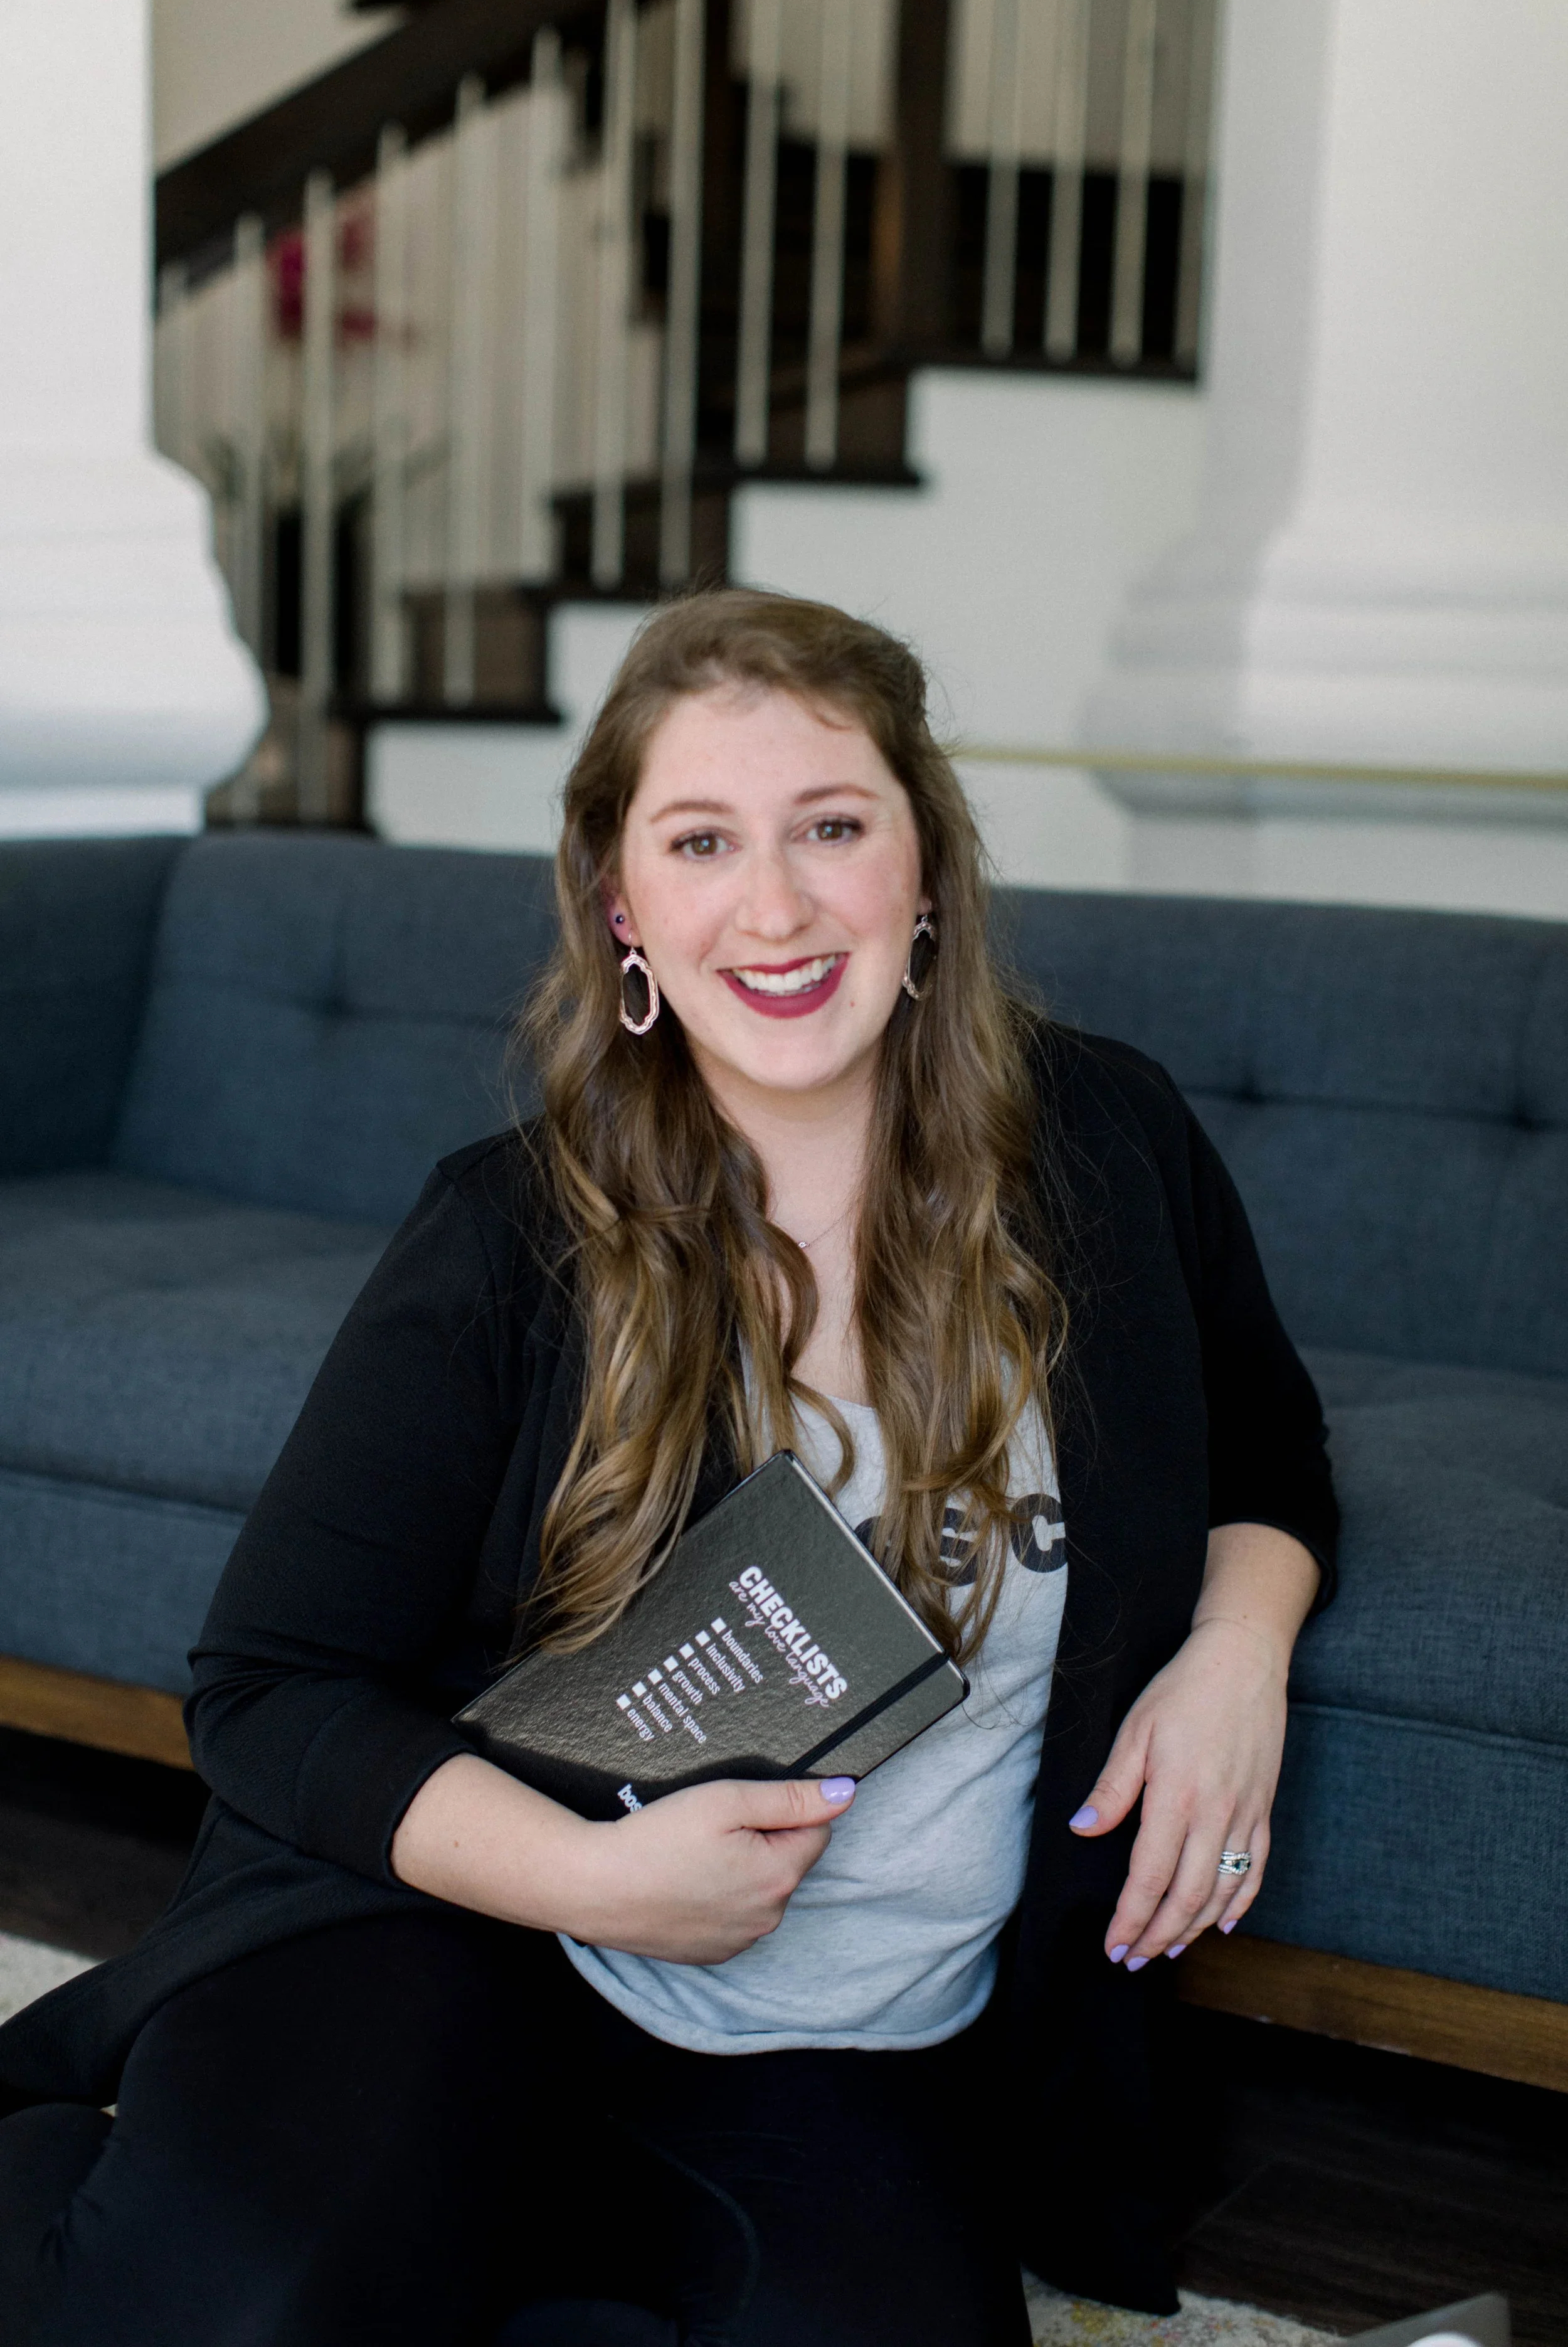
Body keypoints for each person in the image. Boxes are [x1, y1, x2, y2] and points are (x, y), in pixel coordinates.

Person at [0, 591, 1335, 2347]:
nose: (772, 907)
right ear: (622, 907)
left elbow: (1270, 1441)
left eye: (830, 829)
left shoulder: (1107, 1141)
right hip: (456, 1944)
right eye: (701, 841)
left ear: (922, 868)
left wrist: (1241, 1648)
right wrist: (599, 1883)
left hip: (837, 2054)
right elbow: (265, 1690)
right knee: (218, 2315)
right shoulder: (508, 1234)